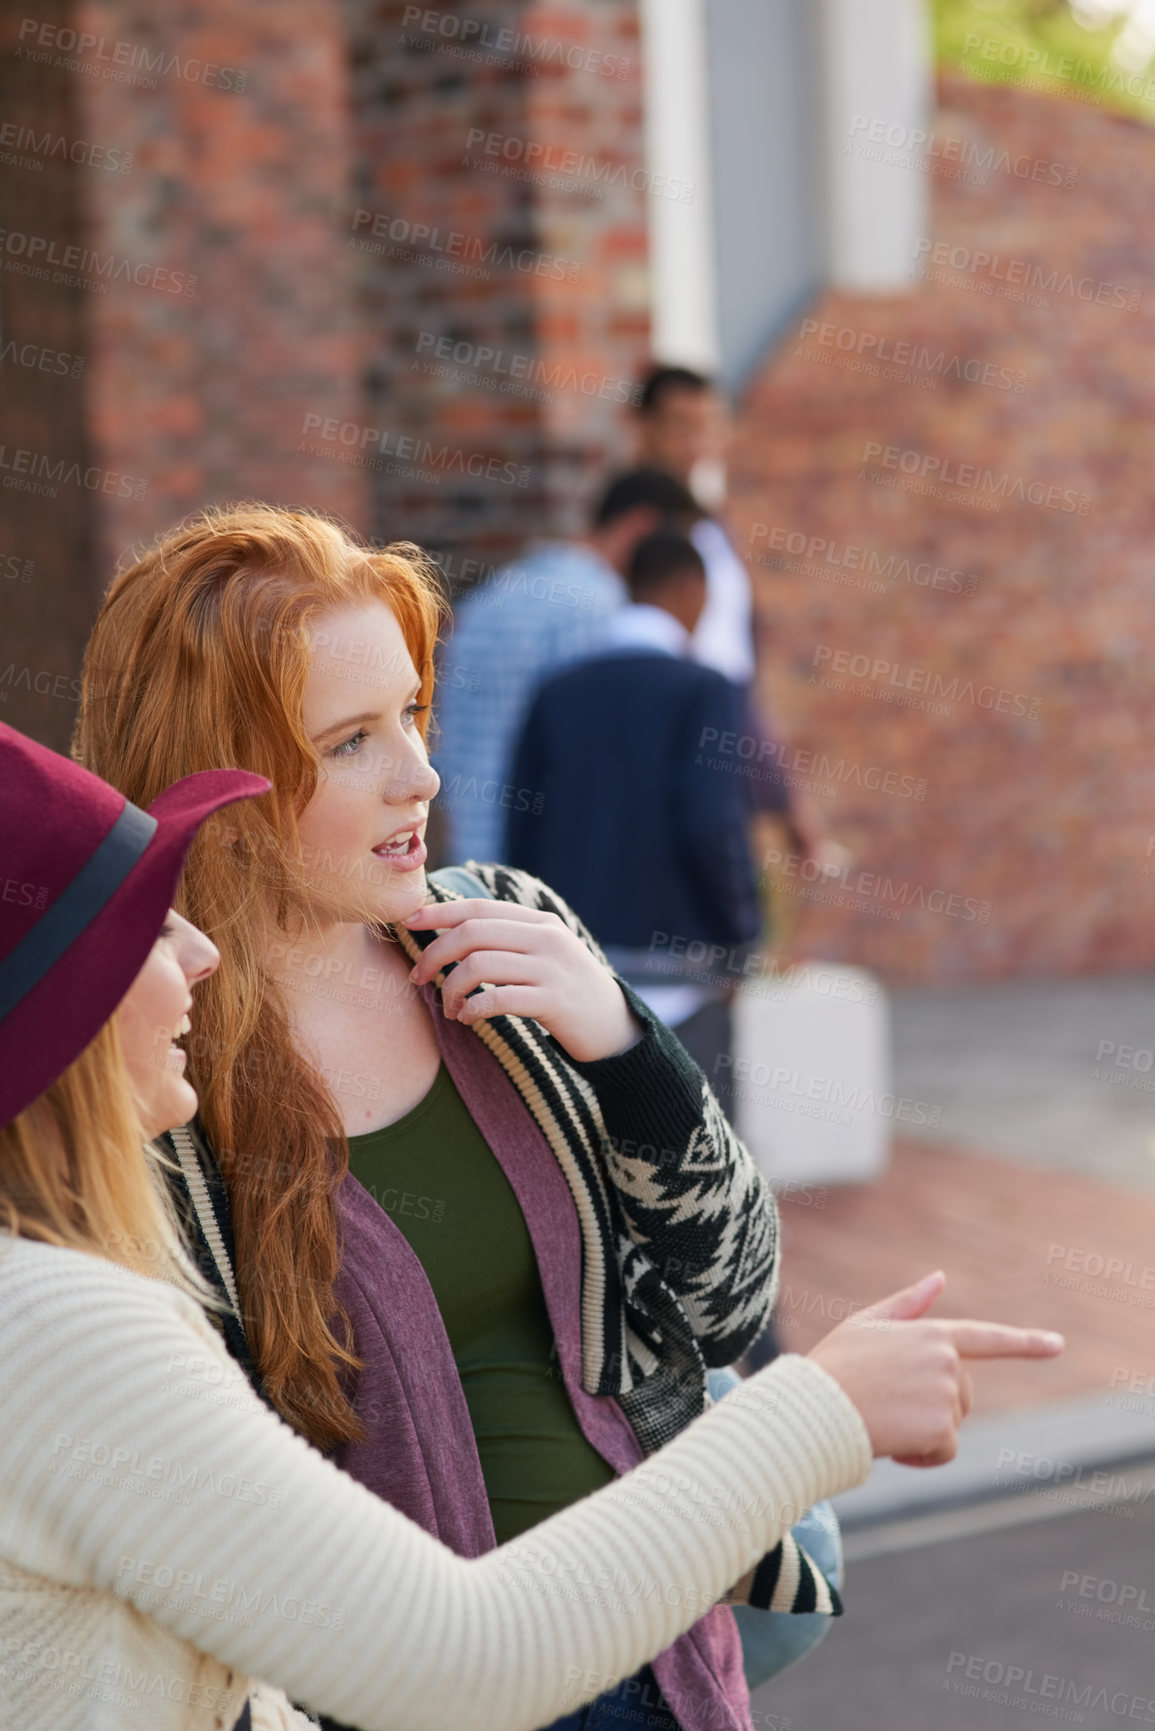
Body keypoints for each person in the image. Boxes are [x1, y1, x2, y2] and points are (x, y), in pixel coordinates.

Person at [72, 506, 1063, 1731]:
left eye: (414, 716)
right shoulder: (147, 1058)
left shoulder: (502, 933)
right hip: (404, 1695)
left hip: (670, 1659)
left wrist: (623, 1046)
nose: (420, 775)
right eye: (348, 742)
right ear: (213, 775)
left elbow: (735, 1303)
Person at [505, 529, 756, 1118]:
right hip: (680, 981)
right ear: (692, 589)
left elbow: (521, 827)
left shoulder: (556, 691)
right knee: (696, 1169)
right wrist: (740, 937)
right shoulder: (703, 691)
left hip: (572, 978)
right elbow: (711, 825)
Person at [632, 364, 839, 876]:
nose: (697, 441)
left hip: (725, 746)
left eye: (708, 425)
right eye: (682, 425)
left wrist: (785, 793)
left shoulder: (711, 523)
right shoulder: (636, 526)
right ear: (643, 427)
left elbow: (736, 667)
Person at [433, 468, 699, 865]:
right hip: (543, 869)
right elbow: (594, 765)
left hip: (466, 861)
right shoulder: (600, 611)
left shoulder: (494, 594)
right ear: (639, 529)